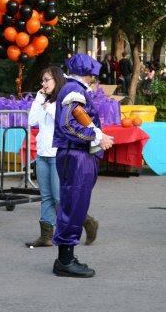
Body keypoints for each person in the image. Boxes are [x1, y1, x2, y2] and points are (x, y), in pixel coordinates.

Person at [52, 54, 114, 278]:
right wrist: (96, 137)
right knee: (72, 206)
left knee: (75, 207)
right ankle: (65, 261)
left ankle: (66, 257)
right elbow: (69, 124)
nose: (93, 78)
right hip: (75, 155)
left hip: (77, 154)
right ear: (87, 73)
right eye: (92, 74)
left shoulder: (73, 89)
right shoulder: (74, 90)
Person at [25, 66, 66, 247]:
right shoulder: (43, 101)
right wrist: (39, 98)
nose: (43, 83)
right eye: (42, 80)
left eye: (47, 80)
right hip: (42, 155)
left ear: (57, 80)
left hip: (58, 155)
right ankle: (46, 236)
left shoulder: (65, 100)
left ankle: (83, 221)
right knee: (46, 197)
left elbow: (63, 121)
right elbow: (31, 121)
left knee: (58, 197)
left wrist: (48, 107)